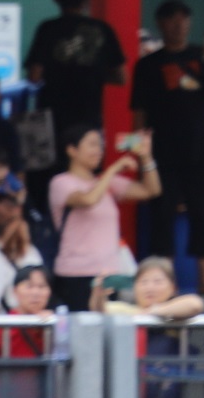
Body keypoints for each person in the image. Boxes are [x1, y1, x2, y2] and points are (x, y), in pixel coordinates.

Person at [130, 0, 204, 292]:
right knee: (162, 217)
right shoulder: (147, 65)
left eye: (183, 19)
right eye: (172, 19)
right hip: (162, 153)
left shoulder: (203, 56)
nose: (178, 25)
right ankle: (164, 282)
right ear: (160, 23)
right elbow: (138, 113)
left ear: (190, 23)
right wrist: (138, 153)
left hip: (200, 149)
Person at [48, 126, 158, 311]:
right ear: (71, 150)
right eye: (91, 145)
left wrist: (146, 157)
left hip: (109, 273)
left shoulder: (106, 183)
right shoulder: (61, 182)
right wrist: (113, 169)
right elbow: (88, 199)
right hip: (76, 274)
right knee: (83, 333)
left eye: (100, 145)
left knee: (109, 331)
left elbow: (151, 190)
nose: (98, 151)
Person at [24, 0, 126, 148]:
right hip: (89, 117)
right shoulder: (103, 29)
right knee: (87, 171)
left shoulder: (47, 29)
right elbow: (121, 77)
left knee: (52, 173)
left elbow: (34, 76)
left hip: (52, 119)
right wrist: (95, 74)